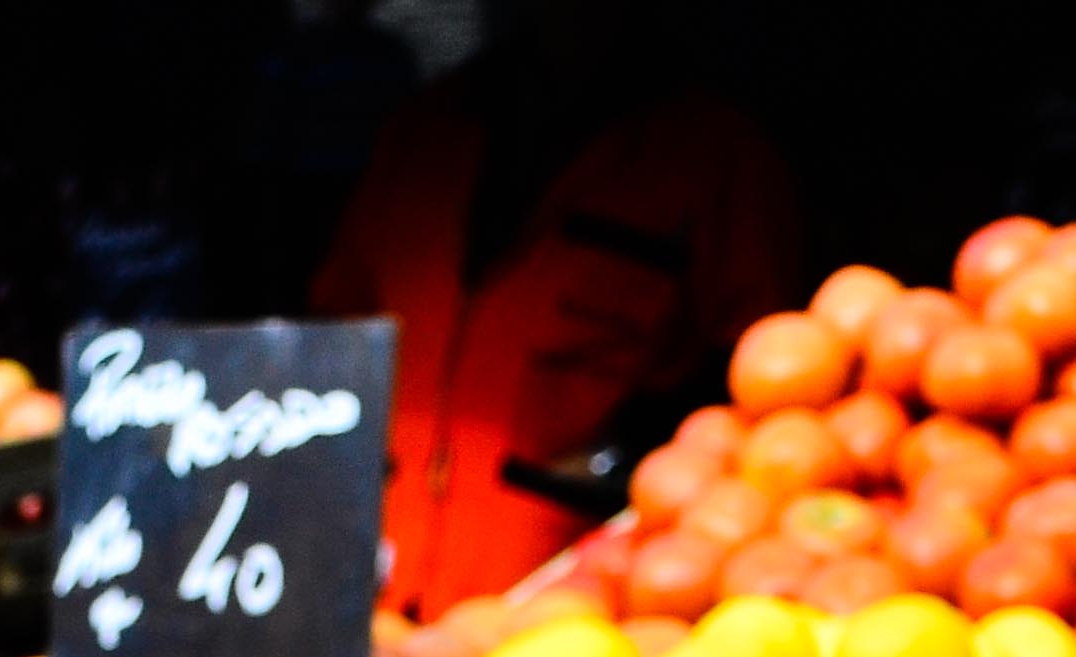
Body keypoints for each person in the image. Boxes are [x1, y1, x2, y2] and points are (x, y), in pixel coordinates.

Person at [310, 0, 796, 617]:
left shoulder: (715, 158)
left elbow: (771, 400)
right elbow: (334, 348)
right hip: (376, 606)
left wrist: (628, 460)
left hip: (583, 622)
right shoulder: (423, 138)